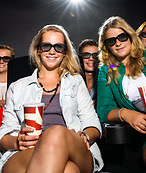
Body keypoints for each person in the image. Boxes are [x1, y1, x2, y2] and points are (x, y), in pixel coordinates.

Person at [0, 25, 103, 173]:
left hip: (75, 150)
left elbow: (92, 123)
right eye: (46, 46)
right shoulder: (17, 87)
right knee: (69, 170)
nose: (52, 51)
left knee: (56, 133)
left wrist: (85, 135)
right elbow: (3, 135)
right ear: (38, 50)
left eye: (59, 47)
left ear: (65, 52)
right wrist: (16, 141)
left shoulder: (76, 81)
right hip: (26, 152)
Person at [97, 16, 146, 172]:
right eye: (111, 41)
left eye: (122, 37)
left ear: (130, 36)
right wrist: (126, 114)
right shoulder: (107, 71)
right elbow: (103, 109)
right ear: (107, 46)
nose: (118, 43)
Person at [78, 39, 99, 108]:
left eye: (95, 55)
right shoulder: (73, 79)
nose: (91, 58)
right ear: (80, 58)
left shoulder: (105, 78)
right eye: (86, 55)